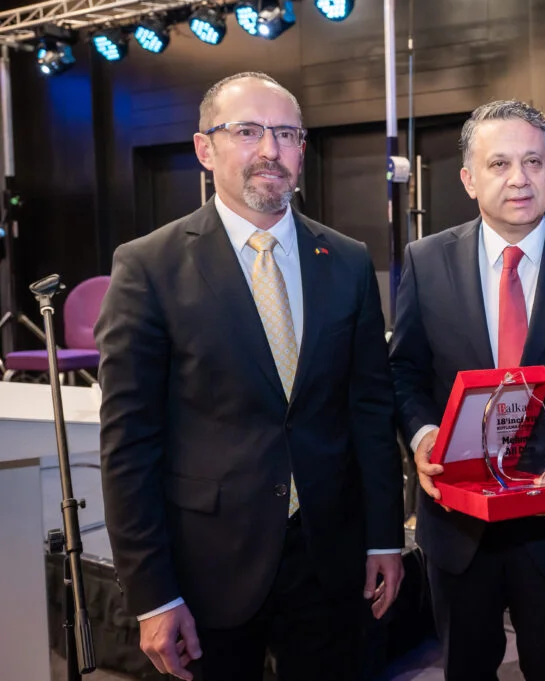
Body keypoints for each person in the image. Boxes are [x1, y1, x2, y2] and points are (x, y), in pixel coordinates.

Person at [95, 72, 405, 681]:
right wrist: (153, 594)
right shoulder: (148, 266)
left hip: (329, 557)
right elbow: (129, 445)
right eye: (247, 131)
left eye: (286, 134)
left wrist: (384, 539)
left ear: (301, 150)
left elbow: (370, 410)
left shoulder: (346, 260)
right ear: (204, 149)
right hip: (208, 565)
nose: (270, 149)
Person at [388, 100, 545, 681]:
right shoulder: (425, 262)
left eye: (533, 161)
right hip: (458, 524)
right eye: (499, 163)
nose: (519, 178)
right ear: (469, 179)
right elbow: (404, 374)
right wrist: (425, 438)